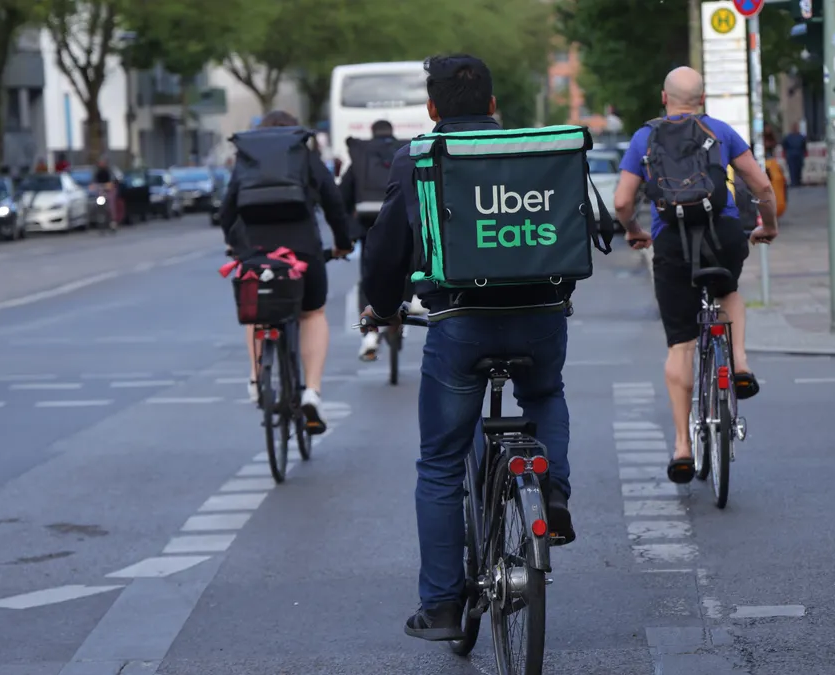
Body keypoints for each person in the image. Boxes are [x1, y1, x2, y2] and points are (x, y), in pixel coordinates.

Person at [359, 53, 576, 641]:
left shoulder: (419, 158)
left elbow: (387, 249)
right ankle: (552, 492)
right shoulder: (538, 150)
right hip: (540, 315)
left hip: (460, 325)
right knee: (544, 391)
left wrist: (381, 309)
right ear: (493, 105)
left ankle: (443, 606)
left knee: (440, 463)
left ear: (431, 109)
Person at [613, 66, 779, 485]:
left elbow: (621, 202)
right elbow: (761, 186)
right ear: (702, 100)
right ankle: (740, 363)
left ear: (664, 98)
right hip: (722, 235)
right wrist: (768, 225)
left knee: (681, 345)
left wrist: (635, 232)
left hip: (672, 243)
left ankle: (683, 447)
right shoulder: (722, 131)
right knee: (729, 293)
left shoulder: (643, 138)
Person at [219, 110, 353, 432]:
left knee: (257, 312)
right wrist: (343, 243)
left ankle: (255, 378)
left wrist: (234, 245)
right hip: (303, 251)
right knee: (312, 314)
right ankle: (311, 391)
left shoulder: (247, 161)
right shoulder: (304, 158)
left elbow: (227, 209)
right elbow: (333, 202)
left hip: (255, 252)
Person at [340, 119, 411, 361]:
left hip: (367, 222)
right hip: (402, 221)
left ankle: (369, 334)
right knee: (406, 271)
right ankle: (401, 314)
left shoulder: (361, 157)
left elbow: (343, 196)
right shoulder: (404, 153)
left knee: (367, 278)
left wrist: (346, 233)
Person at [91, 157, 119, 231]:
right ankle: (100, 218)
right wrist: (94, 186)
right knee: (99, 202)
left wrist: (111, 185)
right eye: (100, 163)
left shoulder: (109, 171)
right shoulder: (98, 172)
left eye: (103, 163)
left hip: (109, 191)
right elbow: (94, 182)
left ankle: (113, 222)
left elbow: (114, 180)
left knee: (111, 205)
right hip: (101, 191)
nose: (101, 164)